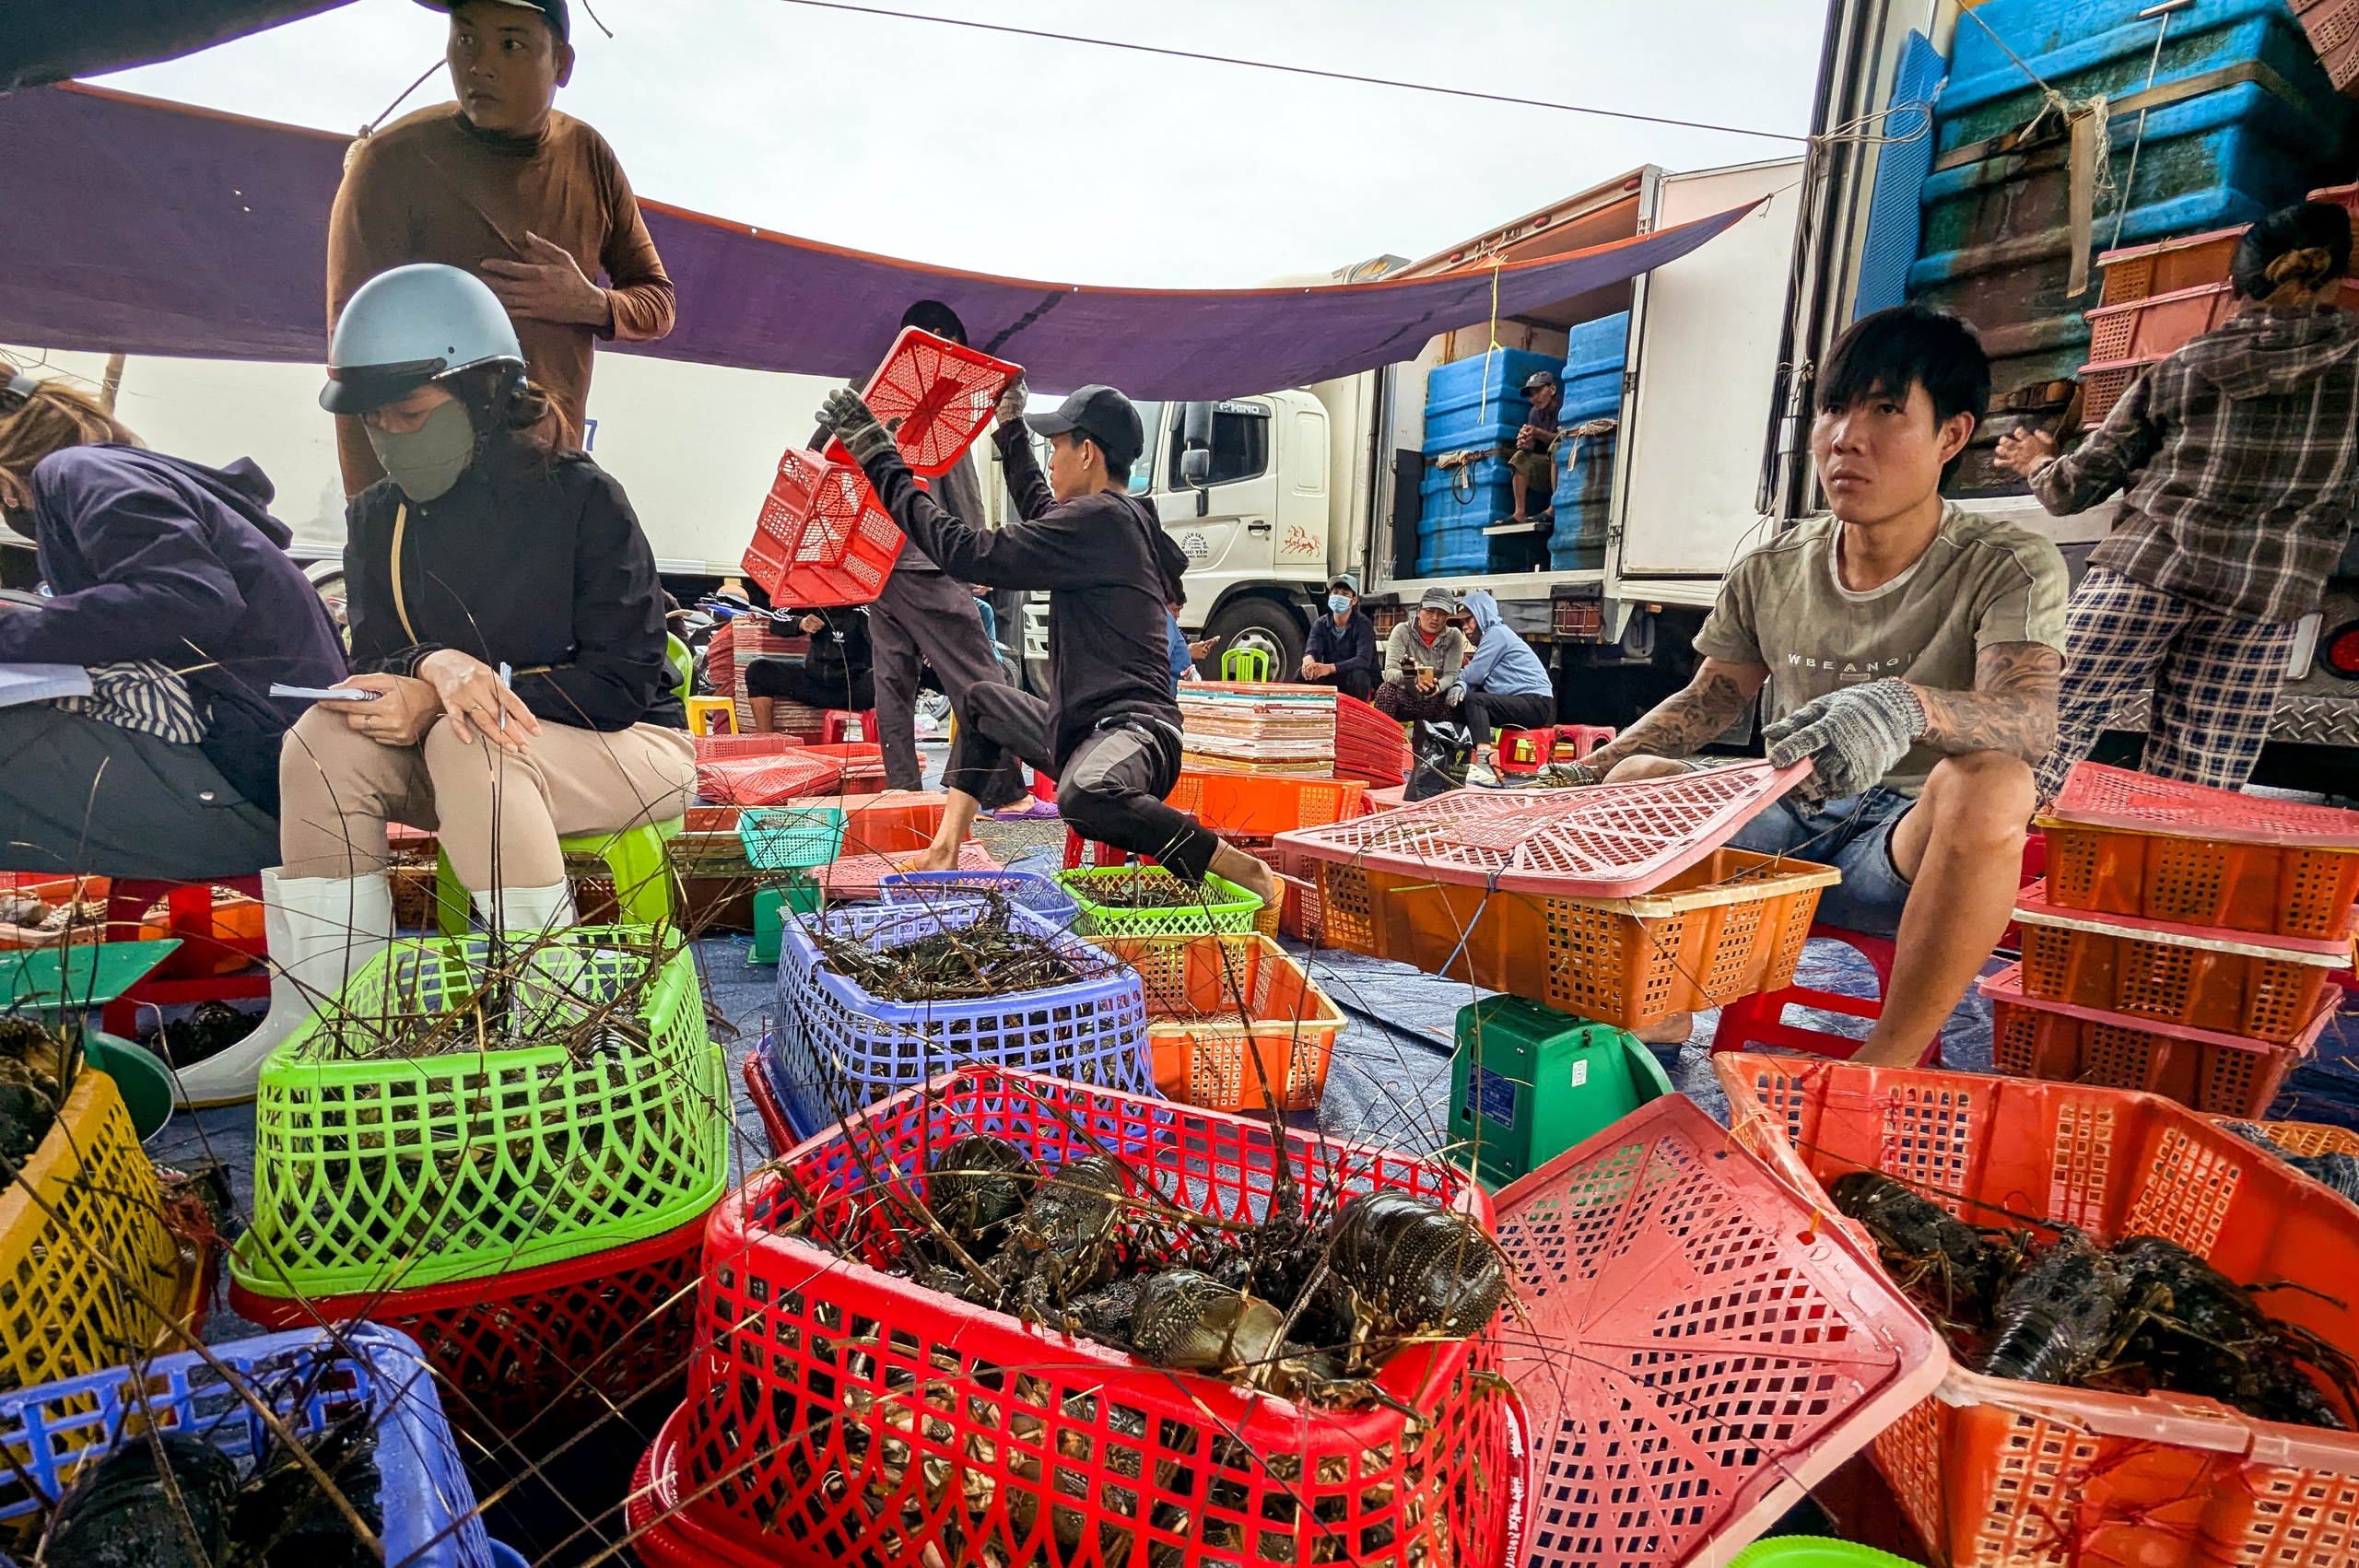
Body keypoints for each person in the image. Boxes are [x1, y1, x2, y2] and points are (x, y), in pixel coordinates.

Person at [204, 263, 695, 1106]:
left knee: (472, 742)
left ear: (484, 392)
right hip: (463, 759)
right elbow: (378, 655)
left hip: (628, 747)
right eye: (373, 420)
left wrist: (447, 697)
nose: (389, 436)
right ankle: (331, 1025)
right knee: (320, 738)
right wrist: (427, 667)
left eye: (410, 413)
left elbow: (618, 683)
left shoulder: (581, 498)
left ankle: (556, 1020)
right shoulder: (379, 518)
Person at [1573, 303, 2067, 1065]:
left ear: (1952, 436)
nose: (1846, 438)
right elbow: (1710, 699)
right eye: (1834, 408)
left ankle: (1884, 1065)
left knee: (1997, 782)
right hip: (1786, 821)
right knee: (1637, 779)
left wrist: (1907, 707)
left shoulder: (2006, 564)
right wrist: (1578, 777)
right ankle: (1657, 1020)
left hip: (1904, 849)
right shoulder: (1772, 567)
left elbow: (2031, 721)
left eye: (1886, 410)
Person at [815, 378, 1276, 905]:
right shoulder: (1106, 521)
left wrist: (882, 462)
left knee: (1084, 795)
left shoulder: (1101, 521)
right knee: (981, 701)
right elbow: (1041, 507)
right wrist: (1010, 427)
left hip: (1137, 733)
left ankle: (1240, 868)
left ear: (1087, 452)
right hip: (1079, 731)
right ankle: (944, 850)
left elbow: (966, 552)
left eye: (1056, 448)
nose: (1051, 461)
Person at [1995, 200, 2359, 800]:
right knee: (2195, 789)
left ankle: (1982, 854)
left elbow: (2072, 489)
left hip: (2147, 572)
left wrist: (2035, 460)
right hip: (2264, 601)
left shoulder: (2187, 366)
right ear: (2338, 277)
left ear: (2236, 286)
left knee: (2032, 741)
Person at [0, 363, 346, 881]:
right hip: (287, 779)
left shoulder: (76, 471)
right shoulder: (124, 475)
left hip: (249, 779)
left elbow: (189, 599)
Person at [327, 0, 675, 495]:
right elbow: (352, 369)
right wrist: (373, 518)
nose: (480, 65)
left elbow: (658, 302)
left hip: (554, 488)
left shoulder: (590, 157)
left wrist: (591, 304)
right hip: (435, 499)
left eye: (510, 44)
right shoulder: (389, 164)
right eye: (466, 40)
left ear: (561, 64)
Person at [863, 302, 1026, 809]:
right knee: (979, 673)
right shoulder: (932, 393)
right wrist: (976, 554)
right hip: (925, 558)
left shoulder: (867, 389)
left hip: (878, 561)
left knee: (894, 680)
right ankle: (1004, 793)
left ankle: (903, 790)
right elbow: (960, 481)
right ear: (938, 336)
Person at [1449, 590, 1555, 786]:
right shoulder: (1491, 638)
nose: (1465, 627)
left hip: (1536, 703)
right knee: (1462, 703)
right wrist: (1461, 687)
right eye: (1462, 623)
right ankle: (1454, 758)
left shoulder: (1496, 634)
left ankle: (1484, 763)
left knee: (1475, 700)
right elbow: (1475, 679)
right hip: (1525, 702)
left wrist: (1457, 683)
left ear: (1482, 615)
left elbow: (1475, 672)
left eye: (1468, 620)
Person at [745, 606, 873, 730]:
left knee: (881, 679)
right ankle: (768, 741)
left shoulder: (863, 610)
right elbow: (776, 620)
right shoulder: (812, 603)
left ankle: (880, 739)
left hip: (853, 690)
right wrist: (801, 623)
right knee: (758, 671)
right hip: (816, 687)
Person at [1373, 586, 1469, 728]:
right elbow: (1390, 672)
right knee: (1385, 691)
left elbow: (1451, 674)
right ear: (1419, 611)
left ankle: (1448, 739)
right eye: (1430, 610)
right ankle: (1382, 737)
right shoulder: (1402, 631)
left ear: (1447, 617)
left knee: (1457, 697)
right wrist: (1408, 675)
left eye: (1442, 613)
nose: (1435, 618)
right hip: (1406, 694)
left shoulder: (1454, 636)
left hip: (1437, 696)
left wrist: (1437, 687)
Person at [1301, 573, 1379, 700]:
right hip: (1333, 677)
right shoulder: (1321, 624)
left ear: (1354, 600)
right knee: (1302, 674)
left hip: (1356, 678)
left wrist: (1330, 668)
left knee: (1359, 675)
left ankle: (1358, 711)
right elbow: (1312, 650)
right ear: (1329, 597)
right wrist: (1309, 660)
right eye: (1335, 593)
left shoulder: (1363, 624)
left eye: (1345, 594)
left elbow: (1363, 660)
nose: (1338, 597)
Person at [1508, 369, 1562, 525]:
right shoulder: (1534, 413)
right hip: (1546, 468)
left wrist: (1541, 434)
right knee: (1519, 457)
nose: (1534, 398)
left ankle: (1553, 508)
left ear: (1552, 389)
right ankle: (1519, 512)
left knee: (1556, 448)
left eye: (1538, 391)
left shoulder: (1564, 406)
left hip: (1564, 466)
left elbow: (1567, 437)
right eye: (1531, 395)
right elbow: (1538, 448)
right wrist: (1526, 444)